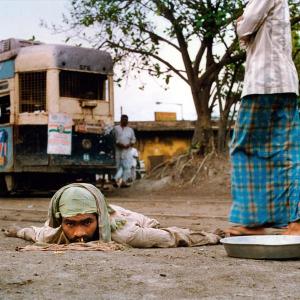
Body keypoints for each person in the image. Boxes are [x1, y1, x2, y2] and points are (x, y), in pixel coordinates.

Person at [226, 0, 299, 236]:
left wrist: (241, 24)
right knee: (285, 153)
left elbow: (245, 27)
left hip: (263, 84)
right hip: (285, 83)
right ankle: (292, 222)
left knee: (245, 150)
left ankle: (255, 220)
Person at [4, 183, 220, 247]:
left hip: (144, 224)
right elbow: (34, 232)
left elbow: (172, 236)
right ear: (61, 220)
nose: (79, 233)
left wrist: (213, 236)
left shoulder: (128, 234)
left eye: (87, 223)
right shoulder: (53, 233)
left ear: (99, 217)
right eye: (71, 224)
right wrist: (16, 231)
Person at [113, 114, 136, 187]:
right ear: (121, 120)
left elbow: (133, 139)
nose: (125, 121)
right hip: (118, 150)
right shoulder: (116, 128)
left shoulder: (130, 130)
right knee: (118, 166)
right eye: (124, 119)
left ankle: (123, 182)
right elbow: (114, 139)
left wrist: (129, 144)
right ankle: (117, 182)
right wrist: (120, 144)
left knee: (127, 167)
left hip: (127, 151)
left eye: (126, 120)